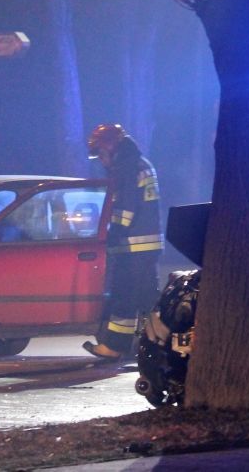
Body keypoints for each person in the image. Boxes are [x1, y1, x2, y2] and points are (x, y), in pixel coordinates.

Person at [83, 123, 162, 360]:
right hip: (146, 245)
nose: (101, 160)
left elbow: (124, 209)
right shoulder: (140, 164)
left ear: (111, 147)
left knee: (124, 296)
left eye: (101, 154)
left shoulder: (127, 168)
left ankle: (114, 347)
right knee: (148, 299)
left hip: (132, 245)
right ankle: (160, 344)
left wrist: (110, 234)